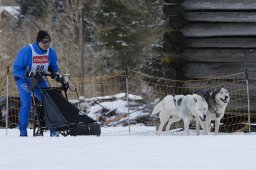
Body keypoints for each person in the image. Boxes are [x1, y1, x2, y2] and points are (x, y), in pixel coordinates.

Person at [13, 30, 68, 137]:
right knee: (26, 102)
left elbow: (54, 67)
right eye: (44, 42)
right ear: (38, 41)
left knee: (49, 100)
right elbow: (15, 69)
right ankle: (23, 132)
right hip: (23, 79)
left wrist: (57, 75)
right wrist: (26, 74)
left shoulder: (51, 52)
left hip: (38, 78)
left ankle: (53, 129)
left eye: (48, 42)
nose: (46, 44)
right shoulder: (26, 51)